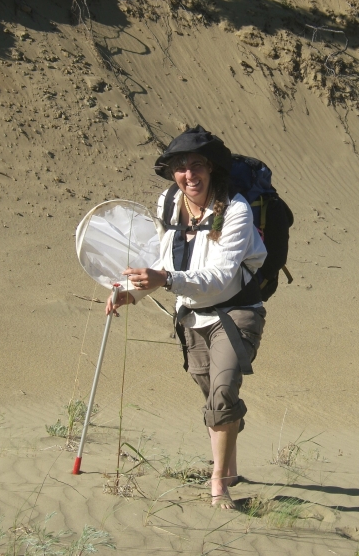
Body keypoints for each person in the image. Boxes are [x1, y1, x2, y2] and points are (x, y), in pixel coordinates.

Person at [106, 125, 267, 509]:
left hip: (236, 312)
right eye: (180, 166)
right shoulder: (168, 203)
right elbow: (165, 261)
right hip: (191, 317)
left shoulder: (238, 210)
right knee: (212, 397)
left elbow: (218, 279)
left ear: (211, 169)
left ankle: (218, 484)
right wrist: (134, 295)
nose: (189, 174)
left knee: (224, 392)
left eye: (197, 165)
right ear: (171, 172)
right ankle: (228, 464)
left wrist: (166, 279)